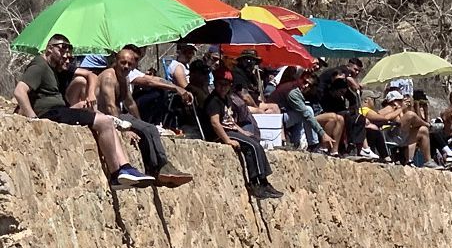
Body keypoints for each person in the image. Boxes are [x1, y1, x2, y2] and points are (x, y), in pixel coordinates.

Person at [13, 34, 153, 188]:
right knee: (104, 122)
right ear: (49, 49)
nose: (66, 54)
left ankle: (126, 167)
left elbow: (90, 74)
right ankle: (116, 174)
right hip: (50, 112)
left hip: (60, 109)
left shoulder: (56, 67)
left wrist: (90, 94)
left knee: (103, 117)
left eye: (69, 51)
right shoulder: (39, 66)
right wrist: (33, 119)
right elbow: (20, 91)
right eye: (61, 49)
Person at [96, 46, 192, 187]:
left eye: (129, 64)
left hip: (120, 115)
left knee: (150, 128)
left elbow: (130, 103)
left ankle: (163, 166)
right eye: (123, 63)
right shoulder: (109, 77)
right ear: (116, 61)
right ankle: (156, 169)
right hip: (108, 116)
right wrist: (123, 130)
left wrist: (139, 122)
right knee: (147, 130)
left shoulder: (124, 77)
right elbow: (110, 106)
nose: (126, 66)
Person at [201, 69, 282, 198]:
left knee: (255, 143)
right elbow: (215, 123)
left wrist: (242, 131)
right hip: (220, 133)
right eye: (220, 84)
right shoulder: (213, 101)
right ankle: (255, 183)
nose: (223, 87)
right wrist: (227, 140)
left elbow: (230, 120)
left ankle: (264, 181)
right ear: (215, 84)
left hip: (230, 129)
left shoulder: (226, 99)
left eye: (226, 84)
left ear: (230, 86)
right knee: (252, 146)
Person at [268, 69, 340, 154]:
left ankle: (296, 143)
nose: (305, 86)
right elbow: (306, 114)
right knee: (307, 111)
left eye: (309, 85)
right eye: (304, 82)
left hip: (285, 116)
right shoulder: (293, 92)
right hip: (274, 119)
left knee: (303, 112)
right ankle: (313, 144)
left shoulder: (299, 90)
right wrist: (323, 134)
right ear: (300, 79)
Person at [377, 90, 441, 168]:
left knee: (423, 130)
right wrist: (400, 109)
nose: (402, 102)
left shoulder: (399, 109)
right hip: (391, 136)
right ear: (394, 101)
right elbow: (383, 117)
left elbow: (408, 118)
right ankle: (428, 125)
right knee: (410, 115)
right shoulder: (389, 108)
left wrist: (409, 107)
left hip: (401, 136)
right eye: (401, 100)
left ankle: (428, 161)